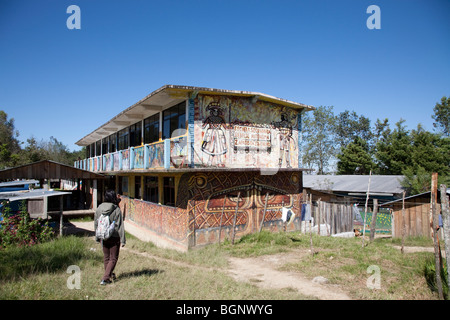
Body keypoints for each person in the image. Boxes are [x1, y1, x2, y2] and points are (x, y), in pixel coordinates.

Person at [94, 189, 126, 285]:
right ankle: (105, 278)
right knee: (113, 258)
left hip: (103, 236)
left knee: (107, 257)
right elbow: (120, 225)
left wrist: (97, 237)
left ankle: (109, 275)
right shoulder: (116, 209)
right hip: (114, 236)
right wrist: (123, 239)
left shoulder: (99, 208)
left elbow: (96, 223)